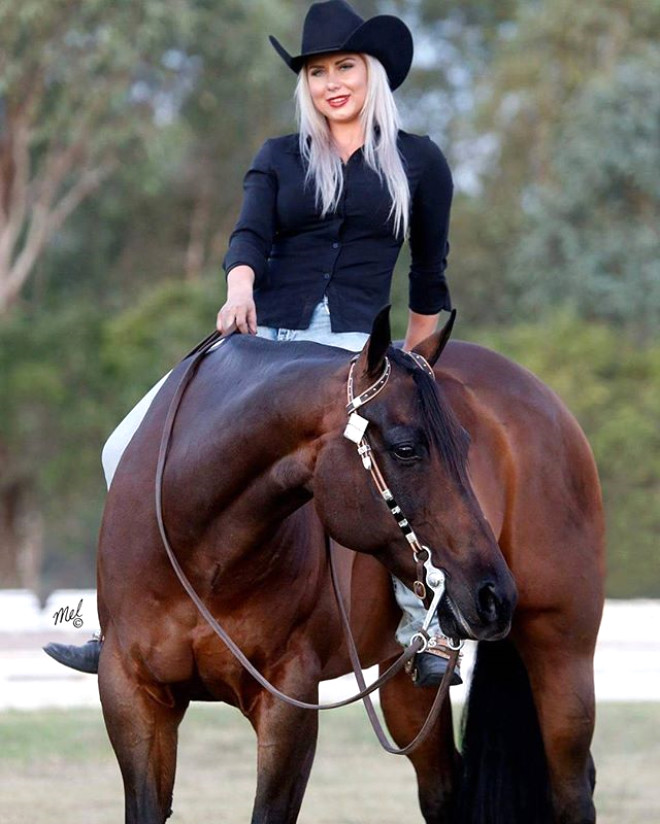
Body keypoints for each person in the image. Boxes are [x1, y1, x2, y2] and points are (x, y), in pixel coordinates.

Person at [45, 0, 461, 687]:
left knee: (410, 470)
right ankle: (115, 618)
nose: (332, 82)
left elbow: (429, 273)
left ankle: (428, 623)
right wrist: (239, 288)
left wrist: (419, 367)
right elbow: (249, 238)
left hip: (355, 350)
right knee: (120, 447)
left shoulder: (419, 164)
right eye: (318, 71)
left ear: (372, 73)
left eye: (345, 67)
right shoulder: (281, 157)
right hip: (259, 343)